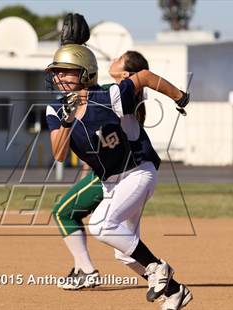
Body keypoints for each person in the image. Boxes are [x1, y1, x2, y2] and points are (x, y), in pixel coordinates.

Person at [45, 44, 192, 310]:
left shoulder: (107, 96)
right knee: (123, 252)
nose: (59, 77)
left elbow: (144, 76)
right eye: (56, 72)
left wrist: (179, 97)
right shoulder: (55, 110)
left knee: (101, 224)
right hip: (111, 183)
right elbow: (58, 153)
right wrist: (66, 122)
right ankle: (174, 291)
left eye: (66, 72)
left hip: (137, 172)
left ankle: (159, 267)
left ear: (85, 73)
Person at [52, 51, 151, 292]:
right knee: (124, 250)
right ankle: (160, 277)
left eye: (120, 59)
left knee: (66, 212)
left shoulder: (116, 93)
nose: (114, 59)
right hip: (123, 170)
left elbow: (93, 94)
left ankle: (88, 271)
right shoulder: (111, 92)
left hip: (123, 171)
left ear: (126, 74)